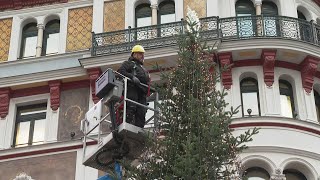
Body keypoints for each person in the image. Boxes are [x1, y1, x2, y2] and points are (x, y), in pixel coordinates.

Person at [118, 45, 150, 128]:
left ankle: (140, 128)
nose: (142, 56)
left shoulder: (143, 68)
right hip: (132, 89)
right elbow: (121, 72)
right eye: (140, 54)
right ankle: (128, 125)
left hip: (142, 92)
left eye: (143, 54)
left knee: (141, 111)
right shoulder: (128, 64)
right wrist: (132, 77)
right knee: (131, 107)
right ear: (134, 54)